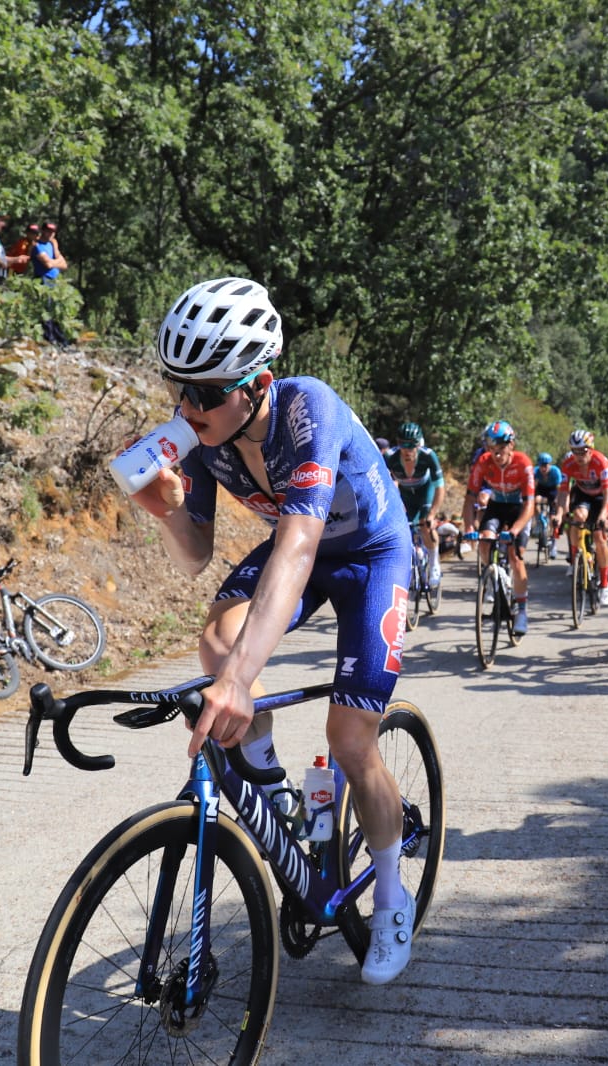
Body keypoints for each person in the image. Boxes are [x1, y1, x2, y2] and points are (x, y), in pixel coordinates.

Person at [121, 277, 418, 985]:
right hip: (300, 548)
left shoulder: (306, 409)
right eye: (178, 388)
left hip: (369, 556)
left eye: (205, 393)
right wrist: (165, 511)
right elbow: (194, 559)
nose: (187, 408)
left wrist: (237, 685)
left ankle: (392, 890)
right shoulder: (199, 426)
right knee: (218, 643)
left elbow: (297, 548)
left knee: (349, 741)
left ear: (258, 383)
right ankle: (272, 789)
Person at [463, 420, 537, 636]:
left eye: (501, 448)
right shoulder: (483, 462)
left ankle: (521, 610)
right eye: (492, 449)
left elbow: (530, 505)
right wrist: (468, 527)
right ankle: (494, 575)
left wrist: (514, 531)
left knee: (515, 556)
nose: (496, 454)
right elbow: (470, 498)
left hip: (519, 509)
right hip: (497, 506)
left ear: (511, 445)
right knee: (485, 541)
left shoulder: (524, 463)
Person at [558, 429, 608, 605]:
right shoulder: (568, 464)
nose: (579, 455)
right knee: (577, 518)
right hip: (583, 495)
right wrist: (560, 513)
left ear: (590, 449)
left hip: (601, 497)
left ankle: (605, 584)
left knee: (599, 536)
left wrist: (604, 515)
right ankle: (577, 558)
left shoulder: (600, 461)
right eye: (575, 451)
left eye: (583, 451)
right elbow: (563, 491)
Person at [386, 422, 446, 587]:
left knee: (426, 525)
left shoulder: (428, 456)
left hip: (425, 493)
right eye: (403, 444)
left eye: (412, 445)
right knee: (401, 528)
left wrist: (433, 513)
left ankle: (434, 563)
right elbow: (384, 485)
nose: (407, 449)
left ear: (419, 444)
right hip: (405, 495)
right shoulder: (390, 457)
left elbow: (440, 487)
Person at [32, 222, 72, 345]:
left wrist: (54, 257)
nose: (50, 234)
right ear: (43, 231)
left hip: (55, 281)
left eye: (52, 232)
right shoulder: (37, 246)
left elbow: (64, 265)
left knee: (56, 310)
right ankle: (48, 337)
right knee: (46, 309)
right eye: (48, 231)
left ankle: (60, 338)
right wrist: (56, 262)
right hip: (43, 280)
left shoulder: (52, 245)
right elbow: (47, 264)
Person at [533, 450, 565, 558]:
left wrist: (556, 500)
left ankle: (553, 544)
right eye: (541, 466)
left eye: (546, 465)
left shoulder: (555, 471)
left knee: (553, 517)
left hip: (553, 490)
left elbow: (559, 489)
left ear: (550, 465)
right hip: (541, 489)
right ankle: (538, 520)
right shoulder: (536, 471)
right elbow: (534, 487)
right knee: (534, 500)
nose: (543, 468)